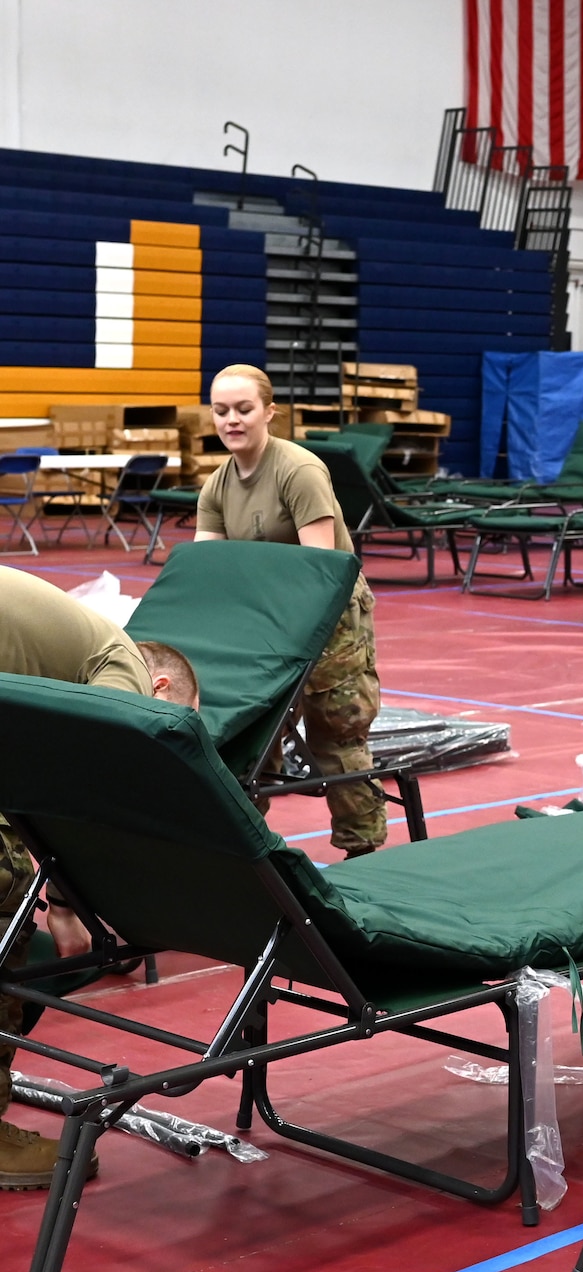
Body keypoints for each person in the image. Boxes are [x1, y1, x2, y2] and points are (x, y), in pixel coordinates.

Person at [0, 566, 199, 1188]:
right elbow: (83, 795)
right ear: (159, 685)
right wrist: (62, 902)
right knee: (4, 897)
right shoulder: (126, 676)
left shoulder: (67, 648)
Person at [196, 364, 385, 856]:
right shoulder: (216, 487)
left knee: (335, 734)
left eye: (243, 409)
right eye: (221, 411)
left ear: (269, 413)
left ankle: (361, 851)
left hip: (330, 615)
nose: (231, 420)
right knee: (248, 733)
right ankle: (248, 849)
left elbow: (320, 570)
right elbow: (205, 571)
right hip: (264, 619)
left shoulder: (298, 470)